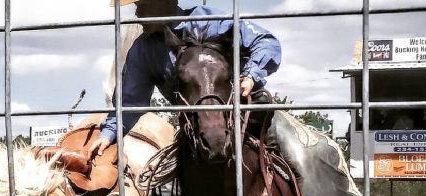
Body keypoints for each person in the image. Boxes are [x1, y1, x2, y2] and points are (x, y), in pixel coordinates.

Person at [88, 0, 281, 157]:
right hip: (193, 128)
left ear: (167, 2)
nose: (137, 15)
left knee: (293, 154)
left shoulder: (210, 21)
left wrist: (250, 76)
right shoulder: (143, 50)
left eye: (142, 6)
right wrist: (108, 134)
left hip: (246, 113)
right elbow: (130, 101)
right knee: (162, 191)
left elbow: (265, 41)